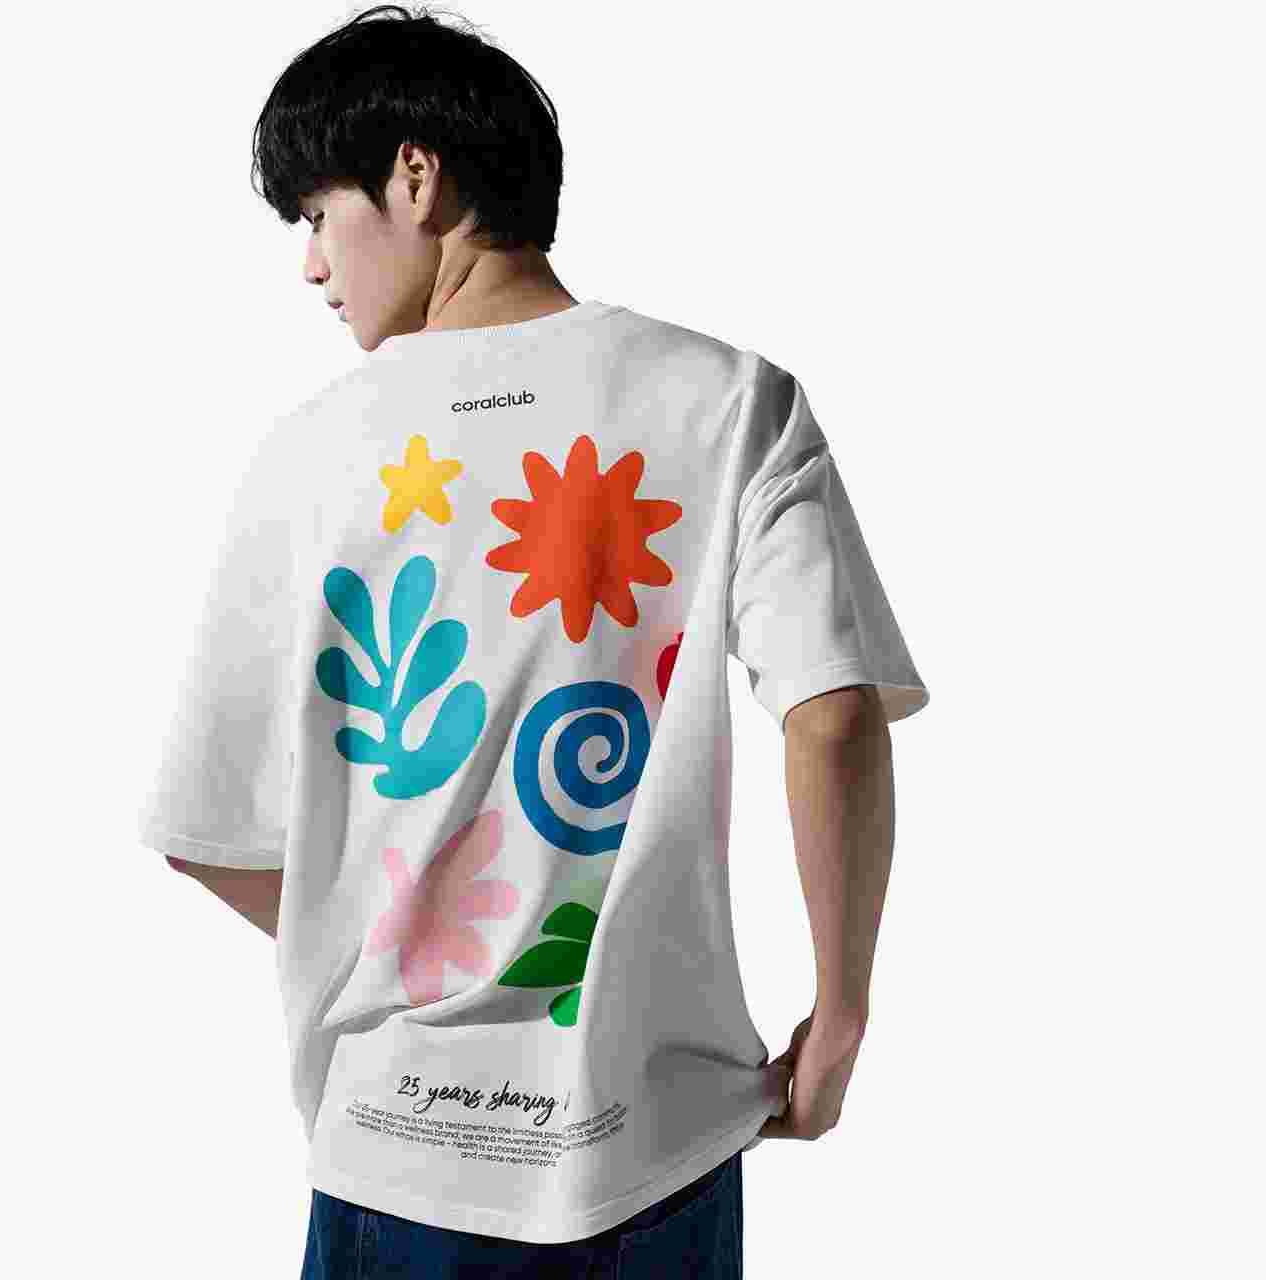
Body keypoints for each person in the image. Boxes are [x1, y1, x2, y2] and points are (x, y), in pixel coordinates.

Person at [136, 7, 930, 1276]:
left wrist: (390, 927)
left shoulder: (308, 453)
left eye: (318, 213)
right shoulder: (732, 401)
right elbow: (831, 717)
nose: (312, 266)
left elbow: (205, 829)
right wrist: (839, 1014)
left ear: (416, 175)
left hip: (397, 1150)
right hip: (655, 1141)